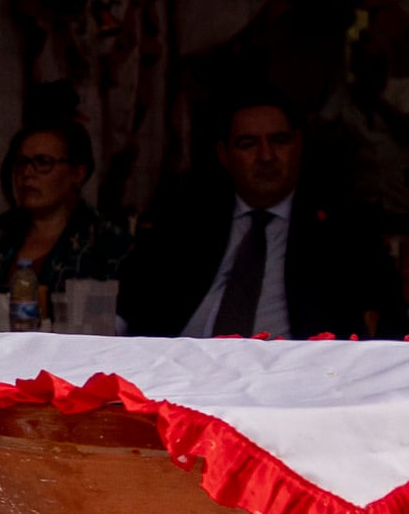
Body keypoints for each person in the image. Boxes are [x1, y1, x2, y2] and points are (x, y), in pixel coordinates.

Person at [120, 91, 405, 339]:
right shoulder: (184, 224)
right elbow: (129, 310)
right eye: (248, 144)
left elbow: (389, 324)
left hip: (295, 382)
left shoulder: (345, 231)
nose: (266, 156)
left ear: (298, 145)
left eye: (279, 141)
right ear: (224, 155)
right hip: (182, 377)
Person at [0, 120, 131, 323]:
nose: (27, 174)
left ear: (78, 173)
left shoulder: (109, 246)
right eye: (21, 162)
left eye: (43, 162)